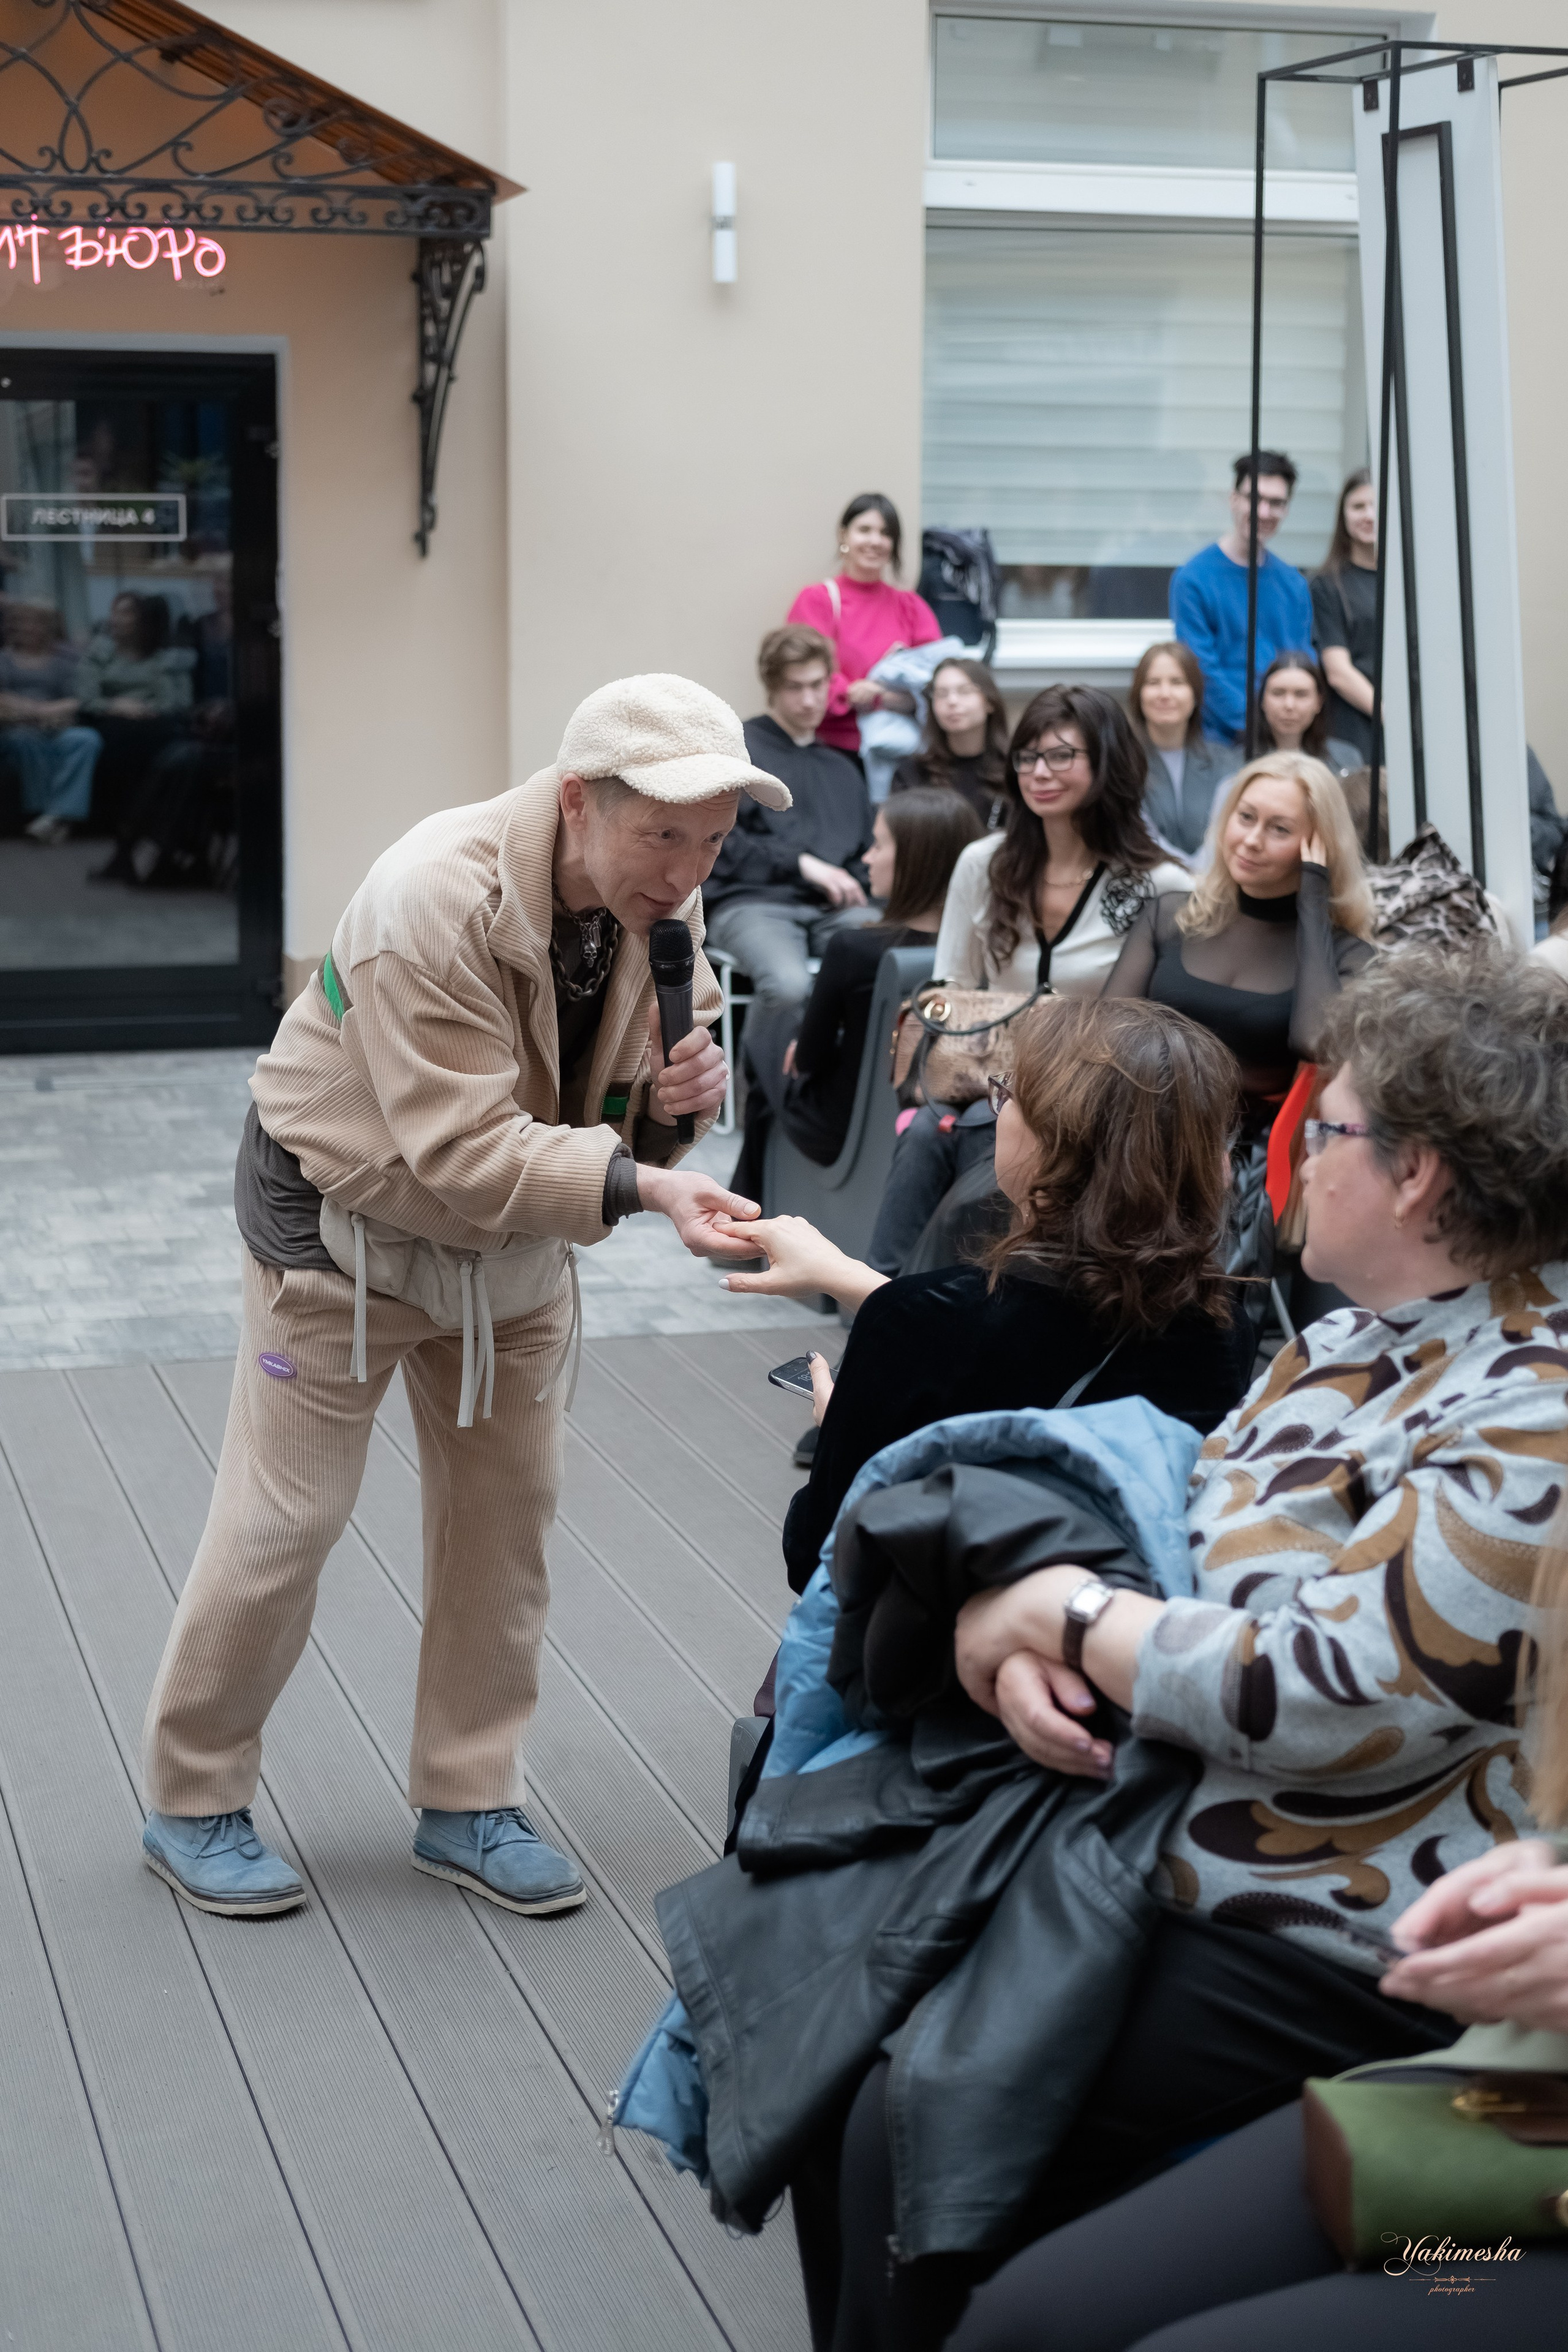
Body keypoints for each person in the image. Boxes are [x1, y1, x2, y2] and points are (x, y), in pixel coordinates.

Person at [795, 943, 1568, 2351]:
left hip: (1333, 1925)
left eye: (1323, 1127)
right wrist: (1024, 1622)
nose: (1290, 1154)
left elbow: (1320, 1690)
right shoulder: (1347, 1343)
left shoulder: (1528, 1404)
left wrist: (1064, 1618)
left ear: (1416, 1177)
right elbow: (1184, 1539)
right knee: (851, 2086)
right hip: (1171, 1825)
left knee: (911, 2128)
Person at [138, 674, 775, 1921]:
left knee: (508, 1517)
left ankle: (469, 1795)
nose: (687, 871)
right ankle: (192, 1796)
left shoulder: (660, 911)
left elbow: (615, 1112)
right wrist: (647, 1182)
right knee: (285, 1523)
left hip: (513, 1246)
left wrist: (669, 1109)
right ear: (580, 800)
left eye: (712, 842)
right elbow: (463, 1149)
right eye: (663, 835)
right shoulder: (429, 897)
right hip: (340, 1229)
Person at [721, 995, 1255, 1595]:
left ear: (1052, 1145)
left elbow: (816, 1556)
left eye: (1008, 1094)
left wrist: (841, 1423)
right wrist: (848, 1278)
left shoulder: (914, 1326)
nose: (997, 1110)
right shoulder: (1224, 1324)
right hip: (1117, 1630)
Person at [867, 685, 1192, 1276]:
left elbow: (1160, 1027)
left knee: (969, 1137)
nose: (1039, 773)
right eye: (1027, 757)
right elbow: (949, 991)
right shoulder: (984, 864)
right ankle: (879, 1302)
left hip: (1098, 1093)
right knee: (930, 1131)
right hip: (986, 1081)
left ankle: (923, 1304)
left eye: (1061, 756)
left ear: (1107, 763)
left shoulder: (1161, 886)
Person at [731, 786, 982, 1194]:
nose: (866, 858)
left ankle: (746, 1202)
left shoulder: (855, 948)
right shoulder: (984, 952)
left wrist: (804, 1046)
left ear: (915, 860)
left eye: (878, 845)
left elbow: (807, 1060)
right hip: (941, 1121)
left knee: (766, 1047)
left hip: (843, 1127)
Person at [1104, 751, 1374, 1106]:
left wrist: (1313, 904)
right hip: (1148, 1120)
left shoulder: (1347, 954)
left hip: (1259, 1139)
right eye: (1246, 817)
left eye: (1279, 829)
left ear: (1319, 846)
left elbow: (1315, 1042)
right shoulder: (1170, 915)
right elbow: (1107, 1032)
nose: (1252, 840)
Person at [702, 625, 876, 1016]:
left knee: (886, 963)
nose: (809, 700)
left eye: (817, 685)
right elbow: (720, 842)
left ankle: (846, 1062)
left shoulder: (843, 769)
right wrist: (802, 864)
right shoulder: (739, 750)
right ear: (773, 688)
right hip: (752, 904)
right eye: (795, 687)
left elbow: (866, 852)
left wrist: (856, 883)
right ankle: (766, 1063)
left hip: (837, 911)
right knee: (789, 986)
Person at [1169, 451, 1314, 745]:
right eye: (1254, 499)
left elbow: (1304, 663)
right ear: (1233, 499)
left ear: (1287, 509)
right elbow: (1202, 670)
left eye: (1276, 503)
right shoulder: (1193, 580)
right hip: (1222, 742)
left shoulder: (1294, 584)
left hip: (1286, 737)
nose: (1264, 512)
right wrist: (1257, 725)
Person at [786, 495, 942, 759]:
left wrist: (879, 696)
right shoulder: (817, 601)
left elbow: (937, 681)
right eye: (865, 530)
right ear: (843, 536)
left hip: (900, 752)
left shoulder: (911, 607)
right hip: (832, 751)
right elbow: (803, 676)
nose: (875, 541)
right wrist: (860, 695)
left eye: (885, 533)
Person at [78, 590, 194, 849]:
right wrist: (115, 706)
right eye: (114, 612)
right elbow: (86, 699)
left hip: (151, 718)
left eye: (126, 613)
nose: (116, 619)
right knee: (119, 737)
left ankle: (147, 820)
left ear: (144, 619)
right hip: (107, 717)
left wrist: (142, 709)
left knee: (166, 735)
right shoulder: (99, 651)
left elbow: (175, 702)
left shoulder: (162, 657)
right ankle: (123, 821)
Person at [0, 597, 100, 845]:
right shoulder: (4, 659)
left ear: (48, 627)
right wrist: (34, 711)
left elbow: (78, 699)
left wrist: (49, 711)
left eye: (36, 622)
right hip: (17, 726)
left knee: (86, 739)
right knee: (23, 739)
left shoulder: (65, 661)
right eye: (22, 622)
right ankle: (48, 814)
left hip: (56, 725)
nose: (28, 628)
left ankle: (55, 816)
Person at [1128, 639, 1238, 859]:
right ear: (1139, 694)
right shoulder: (1122, 763)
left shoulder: (1226, 763)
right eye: (1153, 683)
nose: (1165, 694)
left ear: (1195, 694)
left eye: (1177, 682)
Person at [889, 656, 1009, 827]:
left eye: (965, 691)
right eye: (942, 694)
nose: (952, 702)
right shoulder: (912, 773)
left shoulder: (1015, 770)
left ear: (990, 702)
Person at [1310, 466, 1379, 763]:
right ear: (1344, 516)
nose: (1369, 516)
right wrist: (1390, 715)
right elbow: (1338, 672)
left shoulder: (1410, 582)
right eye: (1358, 507)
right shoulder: (1327, 584)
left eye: (1376, 506)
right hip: (1354, 725)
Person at [1251, 649, 1362, 774]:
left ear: (1319, 702)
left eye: (1301, 694)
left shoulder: (1345, 759)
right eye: (1278, 693)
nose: (1289, 705)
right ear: (1262, 700)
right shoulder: (1236, 763)